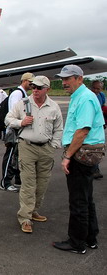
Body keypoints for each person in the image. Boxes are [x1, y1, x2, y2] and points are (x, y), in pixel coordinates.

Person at [52, 65, 104, 254]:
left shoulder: (85, 98)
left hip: (80, 154)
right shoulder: (82, 97)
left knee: (78, 201)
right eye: (63, 79)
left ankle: (77, 243)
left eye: (69, 78)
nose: (64, 82)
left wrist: (67, 156)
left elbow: (82, 131)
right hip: (85, 154)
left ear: (80, 78)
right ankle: (90, 238)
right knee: (86, 198)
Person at [5, 76, 63, 233]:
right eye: (33, 87)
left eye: (39, 87)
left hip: (46, 148)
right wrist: (20, 122)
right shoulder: (23, 104)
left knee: (43, 183)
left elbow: (58, 128)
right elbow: (8, 119)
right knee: (28, 183)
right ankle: (25, 217)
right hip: (27, 147)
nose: (35, 90)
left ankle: (34, 210)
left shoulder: (53, 106)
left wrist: (54, 144)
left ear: (47, 89)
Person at [0, 72, 35, 192]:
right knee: (10, 156)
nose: (32, 84)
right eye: (30, 82)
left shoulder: (23, 94)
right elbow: (13, 113)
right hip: (14, 130)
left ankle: (17, 178)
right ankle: (5, 182)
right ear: (24, 81)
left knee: (18, 155)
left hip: (20, 129)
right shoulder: (17, 94)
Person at [91, 80, 105, 179]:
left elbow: (102, 108)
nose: (96, 90)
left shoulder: (101, 96)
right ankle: (94, 169)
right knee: (90, 147)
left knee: (97, 147)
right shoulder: (88, 96)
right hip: (89, 125)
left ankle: (95, 168)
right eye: (94, 88)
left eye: (98, 89)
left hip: (98, 125)